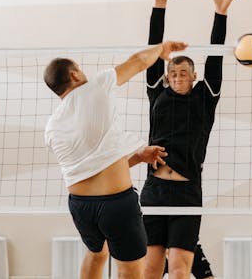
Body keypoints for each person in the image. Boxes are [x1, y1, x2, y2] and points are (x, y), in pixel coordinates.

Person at [44, 41, 187, 279]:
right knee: (129, 269)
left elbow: (93, 166)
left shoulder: (53, 125)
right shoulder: (95, 87)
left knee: (96, 255)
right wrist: (162, 48)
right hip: (116, 205)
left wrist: (138, 157)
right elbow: (139, 62)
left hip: (80, 206)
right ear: (74, 74)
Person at [141, 0, 241, 279]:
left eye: (184, 73)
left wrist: (220, 13)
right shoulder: (157, 92)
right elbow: (152, 51)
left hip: (187, 193)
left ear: (194, 77)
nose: (177, 77)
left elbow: (215, 58)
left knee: (181, 271)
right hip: (154, 191)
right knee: (151, 269)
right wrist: (160, 5)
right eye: (173, 73)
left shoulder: (205, 96)